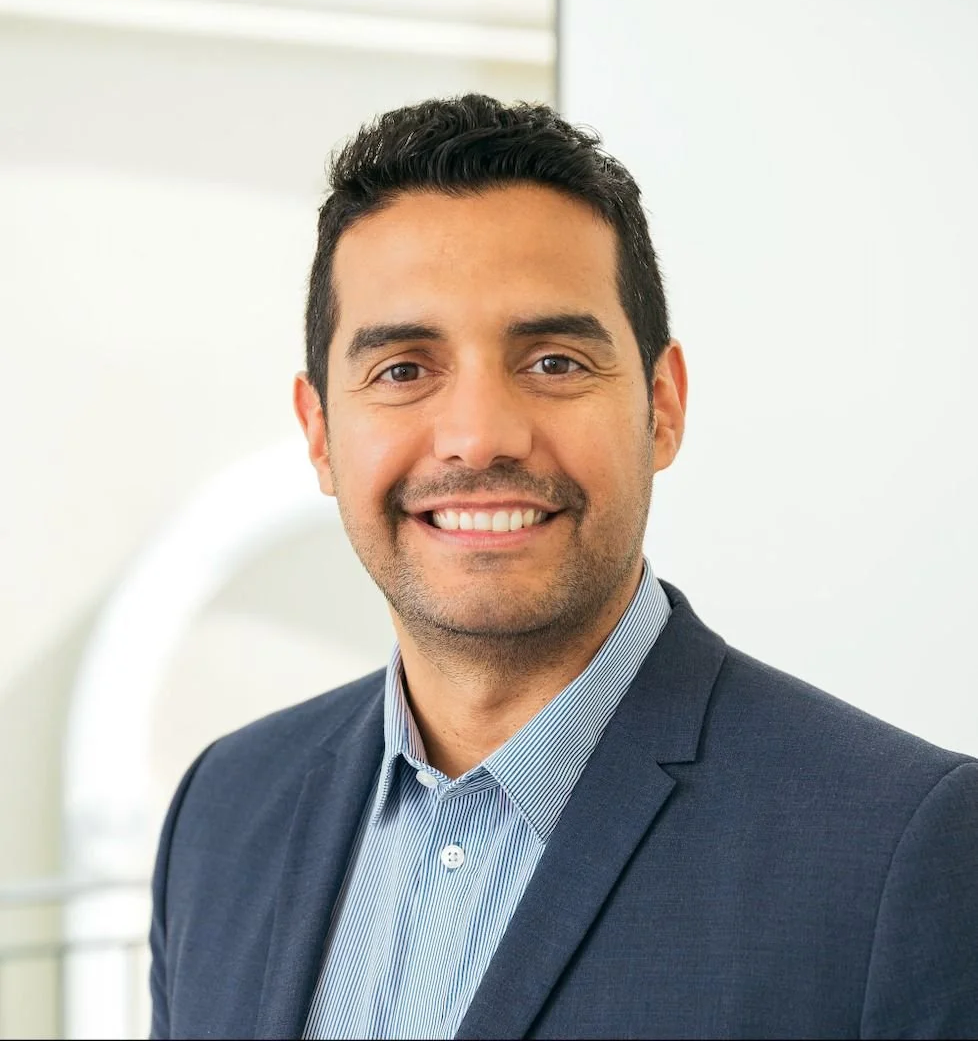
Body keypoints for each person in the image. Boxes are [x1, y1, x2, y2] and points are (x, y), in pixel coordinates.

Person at [149, 95, 978, 1040]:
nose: (478, 437)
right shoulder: (222, 811)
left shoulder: (904, 852)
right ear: (318, 432)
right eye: (403, 370)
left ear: (662, 407)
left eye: (553, 362)